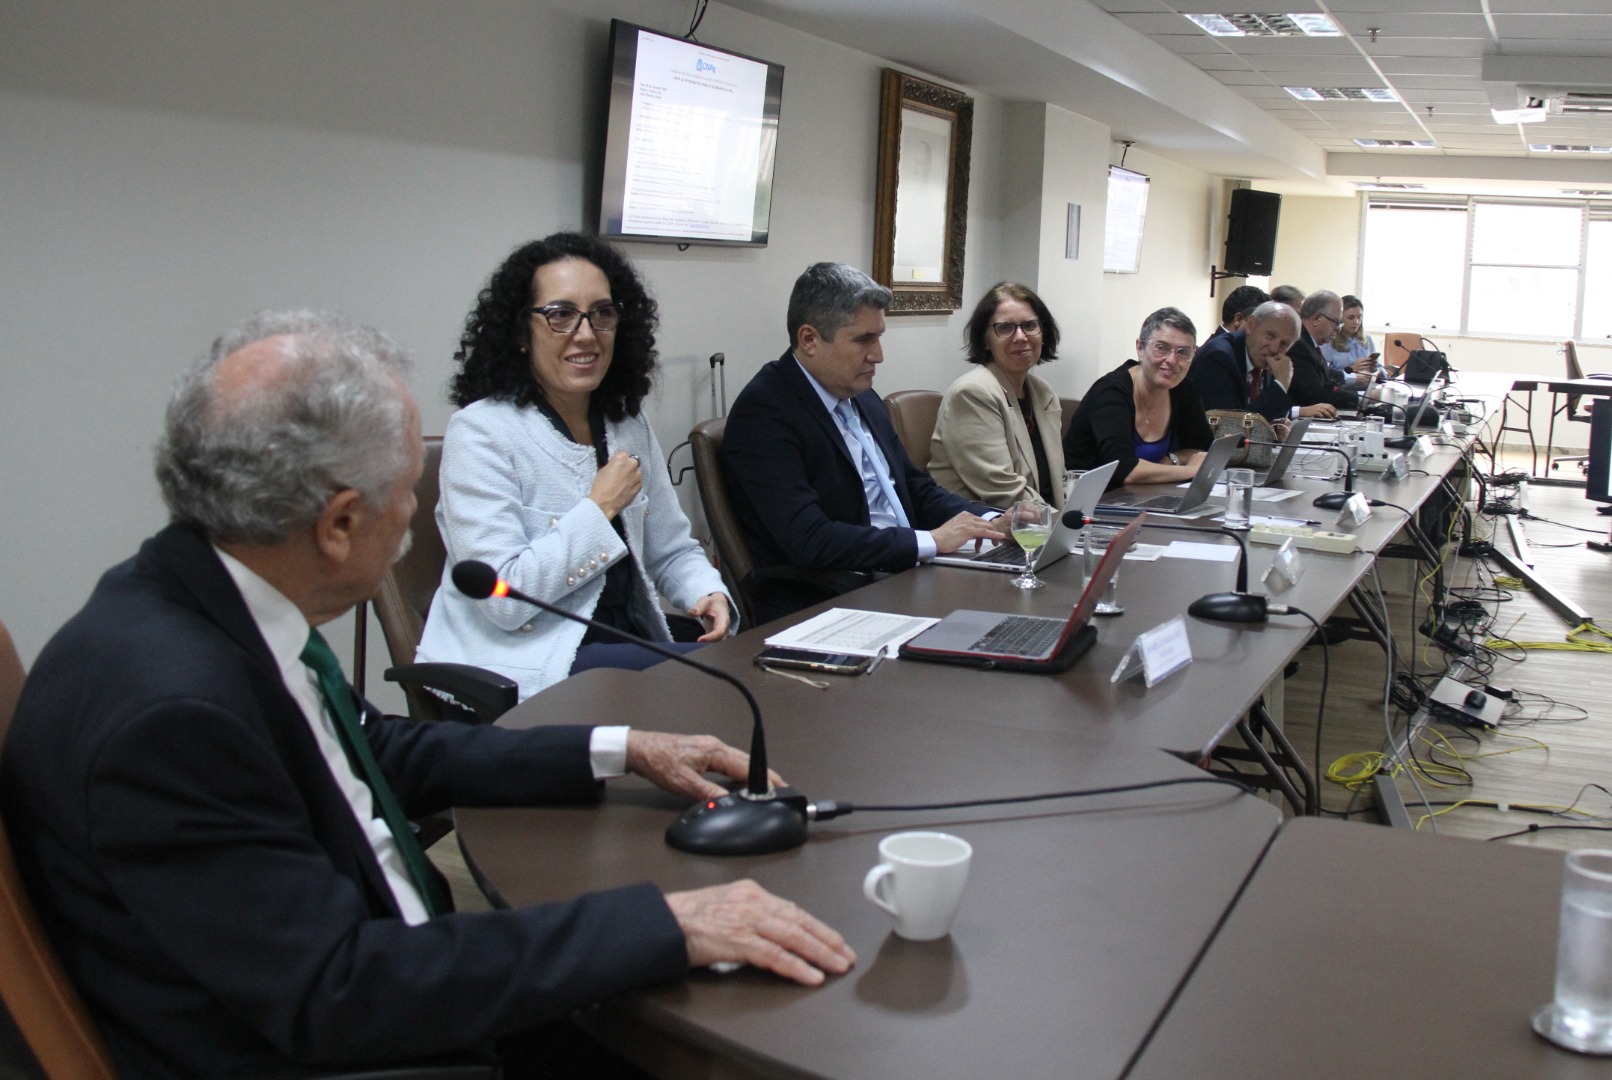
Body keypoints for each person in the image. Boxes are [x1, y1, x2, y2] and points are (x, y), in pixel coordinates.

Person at [0, 311, 854, 1080]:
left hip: (392, 987)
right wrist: (664, 925)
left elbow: (373, 747)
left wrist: (623, 748)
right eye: (409, 492)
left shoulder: (207, 595)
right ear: (339, 525)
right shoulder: (174, 715)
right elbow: (338, 990)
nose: (416, 516)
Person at [415, 234, 733, 701]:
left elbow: (670, 549)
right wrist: (598, 508)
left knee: (746, 662)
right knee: (718, 687)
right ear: (520, 332)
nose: (586, 334)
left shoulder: (626, 423)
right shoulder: (480, 432)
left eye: (602, 313)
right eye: (561, 314)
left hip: (620, 641)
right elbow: (503, 599)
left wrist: (706, 592)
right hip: (530, 660)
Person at [722, 263, 1000, 623]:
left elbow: (914, 489)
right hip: (831, 598)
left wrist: (990, 522)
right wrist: (930, 541)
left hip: (902, 574)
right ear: (809, 340)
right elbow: (810, 539)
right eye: (863, 339)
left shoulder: (860, 394)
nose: (878, 354)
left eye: (879, 337)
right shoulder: (765, 412)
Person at [927, 282, 1066, 509]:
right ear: (985, 339)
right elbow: (1003, 491)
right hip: (985, 524)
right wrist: (1058, 521)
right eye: (1005, 328)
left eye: (1030, 325)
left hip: (1038, 521)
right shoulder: (972, 393)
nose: (1021, 336)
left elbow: (1057, 481)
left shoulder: (1043, 392)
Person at [1063, 307, 1214, 489]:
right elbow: (1124, 470)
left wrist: (1173, 459)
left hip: (1144, 496)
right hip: (1090, 498)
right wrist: (1191, 471)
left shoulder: (1184, 389)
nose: (1172, 360)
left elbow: (1204, 451)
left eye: (1183, 352)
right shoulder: (1110, 392)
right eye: (1161, 348)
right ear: (1140, 348)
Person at [1188, 300, 1315, 425]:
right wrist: (1281, 384)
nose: (1274, 348)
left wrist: (1274, 426)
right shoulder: (1219, 357)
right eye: (1270, 335)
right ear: (1251, 325)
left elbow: (1253, 413)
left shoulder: (1263, 358)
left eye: (1284, 344)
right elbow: (1232, 427)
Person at [1286, 289, 1355, 415]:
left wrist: (1361, 396)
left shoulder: (1311, 344)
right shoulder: (1298, 345)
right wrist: (1360, 399)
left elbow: (1328, 386)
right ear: (1317, 318)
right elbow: (1316, 396)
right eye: (1336, 323)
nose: (1338, 330)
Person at [1320, 294, 1378, 389]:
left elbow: (1381, 370)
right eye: (1351, 318)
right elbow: (1324, 376)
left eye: (1359, 317)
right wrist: (1351, 369)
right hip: (1343, 391)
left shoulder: (1368, 339)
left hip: (1368, 389)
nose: (1356, 322)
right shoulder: (1328, 342)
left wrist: (1374, 370)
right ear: (1339, 318)